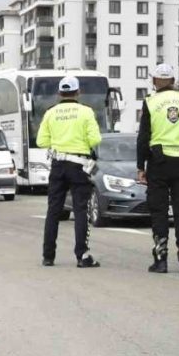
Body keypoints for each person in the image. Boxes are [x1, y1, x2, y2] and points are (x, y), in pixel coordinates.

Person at [137, 63, 179, 274]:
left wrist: (141, 167)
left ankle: (161, 260)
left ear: (155, 81)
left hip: (158, 163)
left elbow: (143, 138)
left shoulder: (150, 102)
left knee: (159, 211)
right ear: (174, 81)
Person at [38, 75, 103, 268]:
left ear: (59, 93)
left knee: (53, 210)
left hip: (58, 165)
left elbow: (41, 141)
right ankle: (82, 256)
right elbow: (95, 139)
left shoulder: (50, 113)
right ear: (78, 92)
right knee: (81, 210)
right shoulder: (86, 112)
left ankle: (48, 256)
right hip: (79, 165)